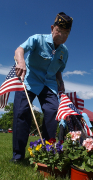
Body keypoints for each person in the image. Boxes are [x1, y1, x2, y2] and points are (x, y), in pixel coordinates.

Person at [11, 12, 73, 162]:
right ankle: (18, 155)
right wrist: (21, 62)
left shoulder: (64, 52)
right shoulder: (37, 39)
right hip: (30, 80)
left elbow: (58, 70)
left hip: (49, 84)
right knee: (22, 112)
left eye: (66, 33)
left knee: (52, 112)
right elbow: (19, 50)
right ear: (52, 28)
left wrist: (61, 83)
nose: (62, 36)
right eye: (59, 31)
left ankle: (47, 152)